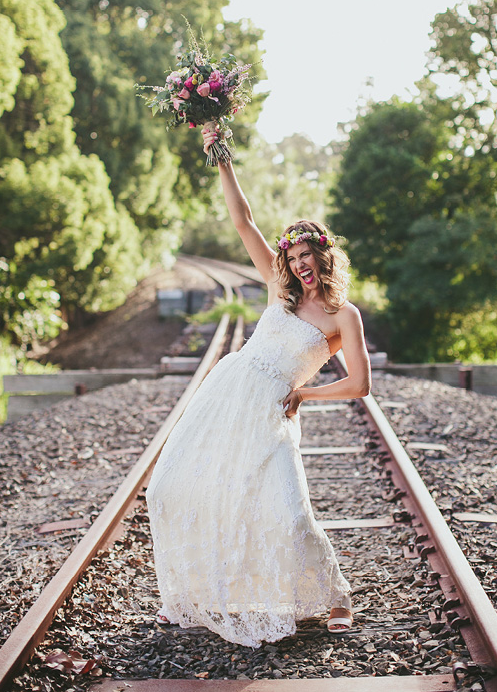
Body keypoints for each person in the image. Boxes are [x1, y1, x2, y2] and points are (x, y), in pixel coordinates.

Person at [146, 124, 371, 648]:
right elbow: (243, 220)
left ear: (324, 257)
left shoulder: (344, 316)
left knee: (289, 512)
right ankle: (192, 591)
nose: (299, 266)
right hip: (229, 393)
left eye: (307, 257)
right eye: (292, 259)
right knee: (172, 486)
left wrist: (305, 394)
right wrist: (220, 155)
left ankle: (334, 596)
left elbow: (359, 385)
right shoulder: (278, 287)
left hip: (273, 409)